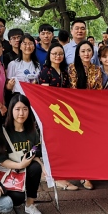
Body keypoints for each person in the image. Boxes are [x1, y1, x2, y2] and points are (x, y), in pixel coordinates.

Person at [0, 94, 45, 214]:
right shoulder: (3, 132)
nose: (21, 113)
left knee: (36, 167)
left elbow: (34, 152)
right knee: (17, 199)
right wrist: (20, 165)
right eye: (17, 109)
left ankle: (30, 205)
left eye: (25, 109)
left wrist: (42, 166)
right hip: (9, 171)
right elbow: (1, 160)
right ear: (11, 110)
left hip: (26, 168)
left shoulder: (32, 131)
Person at [37, 43, 76, 191]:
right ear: (49, 55)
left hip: (63, 113)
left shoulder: (65, 72)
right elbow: (44, 95)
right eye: (54, 54)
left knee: (62, 143)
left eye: (60, 54)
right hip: (50, 112)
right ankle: (56, 177)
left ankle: (61, 173)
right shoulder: (45, 72)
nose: (57, 56)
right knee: (52, 143)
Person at [68, 40, 101, 190]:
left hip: (93, 111)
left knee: (92, 144)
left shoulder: (97, 69)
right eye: (83, 51)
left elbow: (99, 91)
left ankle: (92, 171)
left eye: (89, 50)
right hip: (77, 112)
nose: (86, 53)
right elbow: (72, 90)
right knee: (80, 144)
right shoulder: (72, 68)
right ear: (78, 53)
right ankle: (83, 175)